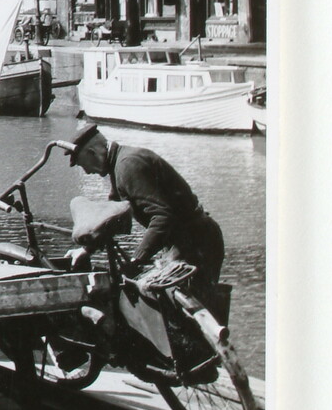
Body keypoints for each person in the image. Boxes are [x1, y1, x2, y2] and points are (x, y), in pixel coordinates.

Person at [64, 122, 224, 289]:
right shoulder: (118, 165)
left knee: (179, 299)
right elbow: (111, 216)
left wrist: (137, 259)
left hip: (196, 242)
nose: (88, 172)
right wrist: (86, 250)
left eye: (83, 165)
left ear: (93, 153)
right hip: (182, 240)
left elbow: (162, 216)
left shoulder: (128, 165)